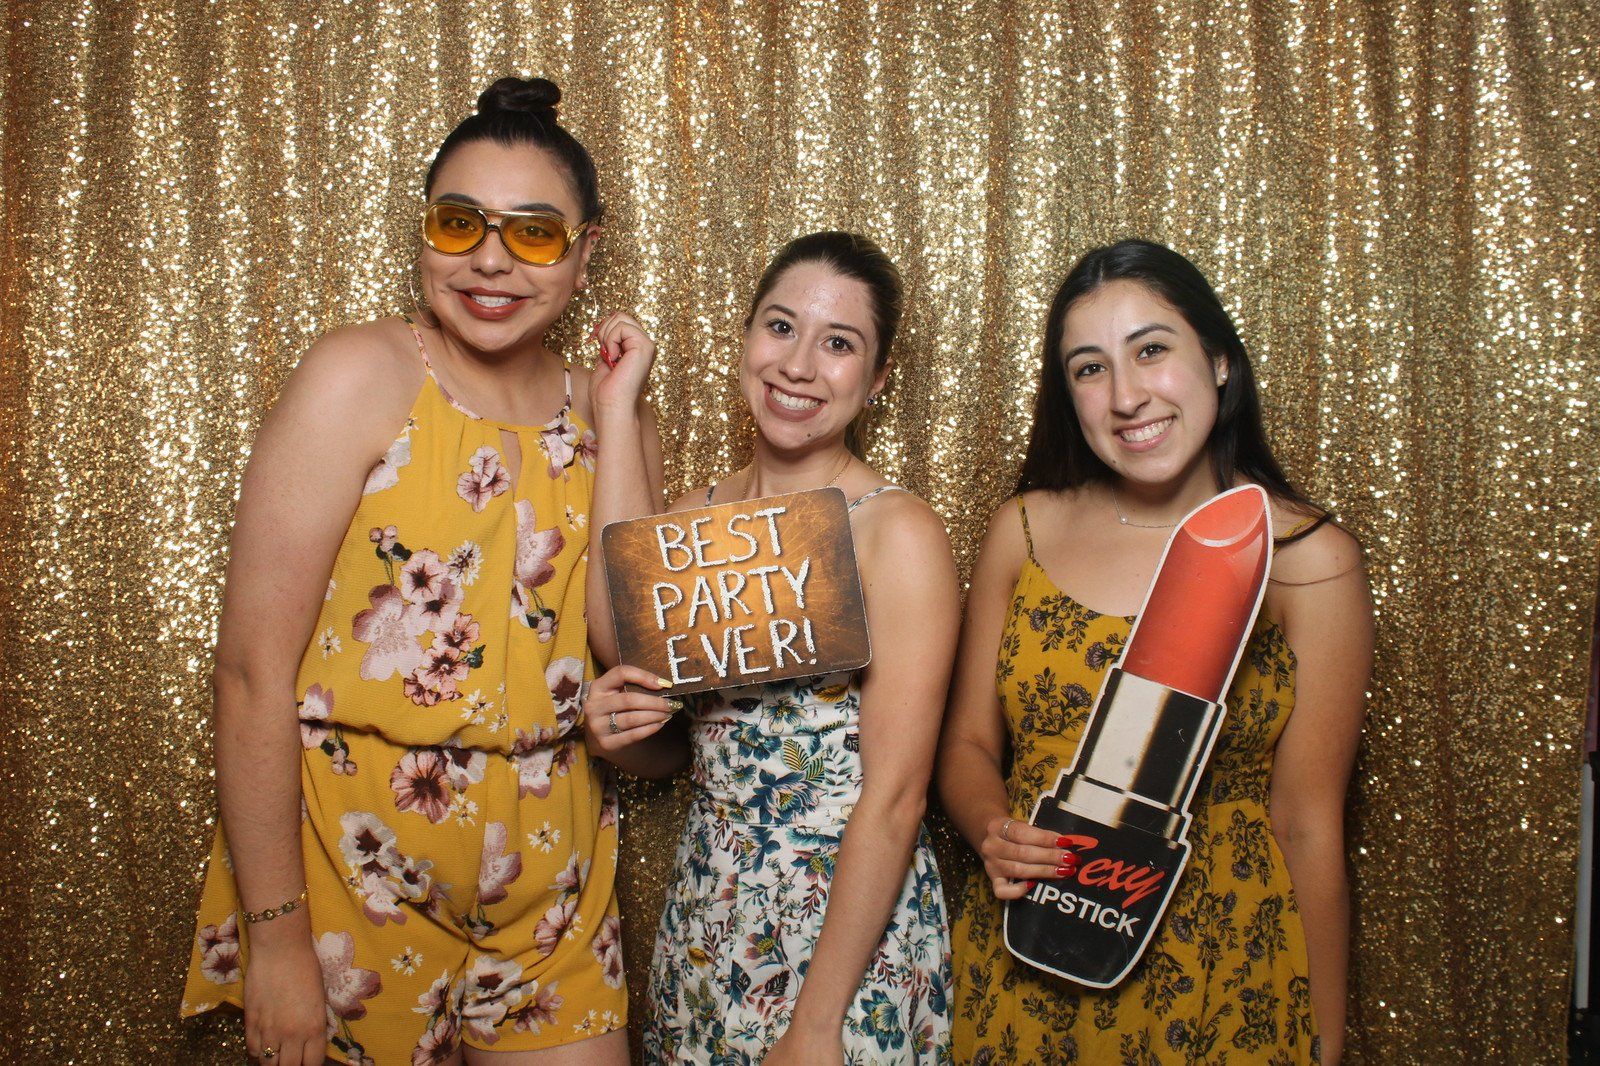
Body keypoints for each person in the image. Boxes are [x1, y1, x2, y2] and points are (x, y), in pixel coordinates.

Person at [181, 76, 663, 1065]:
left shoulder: (613, 409)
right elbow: (251, 673)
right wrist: (275, 939)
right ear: (426, 232)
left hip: (553, 874)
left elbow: (631, 649)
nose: (490, 258)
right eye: (459, 223)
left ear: (586, 250)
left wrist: (616, 415)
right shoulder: (358, 377)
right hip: (353, 877)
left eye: (533, 233)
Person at [938, 239, 1372, 1064]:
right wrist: (992, 826)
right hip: (1035, 946)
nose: (1128, 396)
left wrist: (1325, 1038)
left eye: (1151, 350)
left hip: (1226, 962)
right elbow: (966, 744)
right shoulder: (1024, 529)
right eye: (1090, 368)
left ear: (1217, 361)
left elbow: (1309, 822)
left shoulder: (1308, 559)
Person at [583, 232, 958, 1064]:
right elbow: (625, 649)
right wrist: (617, 409)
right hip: (711, 921)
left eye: (838, 344)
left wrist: (817, 1024)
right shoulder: (694, 519)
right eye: (781, 328)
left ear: (878, 378)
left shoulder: (895, 534)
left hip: (847, 943)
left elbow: (896, 797)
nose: (798, 364)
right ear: (747, 339)